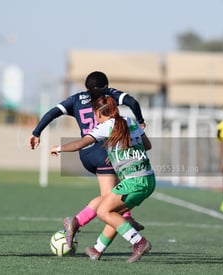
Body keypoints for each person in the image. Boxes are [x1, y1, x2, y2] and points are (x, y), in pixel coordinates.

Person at [29, 71, 145, 232]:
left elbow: (52, 113)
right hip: (103, 152)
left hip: (85, 153)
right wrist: (140, 121)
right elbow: (132, 102)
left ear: (86, 86)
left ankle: (126, 216)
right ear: (106, 85)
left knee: (117, 193)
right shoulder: (108, 94)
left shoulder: (76, 99)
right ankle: (77, 222)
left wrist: (36, 132)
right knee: (108, 200)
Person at [50, 96, 155, 263]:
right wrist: (117, 152)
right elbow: (147, 145)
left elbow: (80, 144)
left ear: (98, 113)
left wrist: (59, 148)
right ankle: (97, 249)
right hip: (148, 179)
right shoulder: (129, 120)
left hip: (134, 182)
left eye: (94, 114)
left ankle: (139, 242)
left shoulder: (105, 126)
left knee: (104, 212)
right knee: (114, 212)